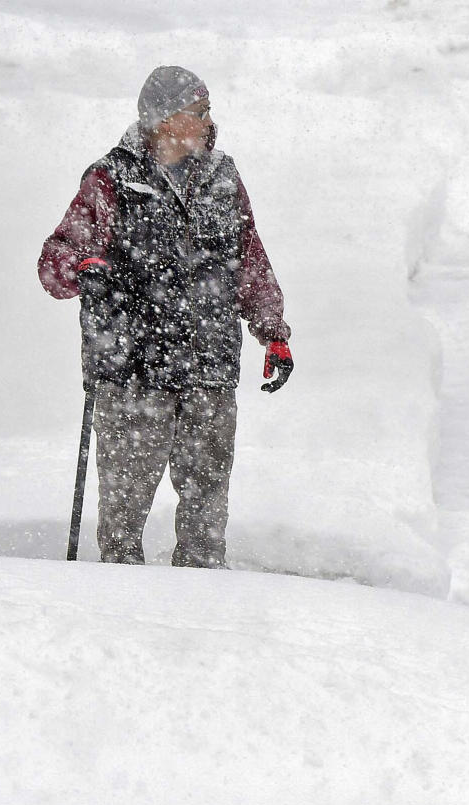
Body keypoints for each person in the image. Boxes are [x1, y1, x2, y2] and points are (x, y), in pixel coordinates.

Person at [38, 66, 293, 568]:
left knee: (206, 522)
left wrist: (274, 335)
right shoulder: (112, 178)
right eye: (199, 111)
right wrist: (84, 268)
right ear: (165, 119)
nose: (208, 120)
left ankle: (201, 615)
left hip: (208, 370)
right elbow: (54, 262)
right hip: (134, 371)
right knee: (123, 521)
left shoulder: (224, 178)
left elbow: (250, 260)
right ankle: (122, 613)